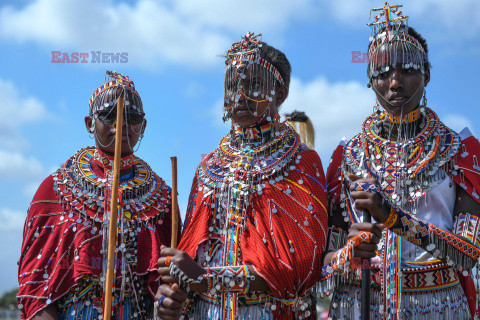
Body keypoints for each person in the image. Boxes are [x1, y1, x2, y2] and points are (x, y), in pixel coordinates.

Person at [319, 3, 480, 319]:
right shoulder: (346, 154)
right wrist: (345, 255)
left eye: (407, 70)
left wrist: (391, 217)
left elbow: (468, 255)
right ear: (369, 79)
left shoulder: (460, 148)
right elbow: (324, 259)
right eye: (383, 71)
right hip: (358, 302)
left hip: (436, 304)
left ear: (427, 75)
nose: (395, 83)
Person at [155, 32, 328, 320]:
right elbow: (191, 254)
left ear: (281, 94)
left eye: (255, 85)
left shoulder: (302, 162)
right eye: (233, 85)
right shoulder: (209, 165)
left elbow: (301, 267)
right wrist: (172, 298)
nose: (240, 95)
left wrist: (207, 279)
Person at [17, 71, 180, 320]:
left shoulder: (162, 197)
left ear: (143, 125)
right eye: (108, 115)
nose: (121, 124)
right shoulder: (55, 189)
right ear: (89, 123)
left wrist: (168, 304)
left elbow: (169, 284)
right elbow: (35, 286)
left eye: (131, 117)